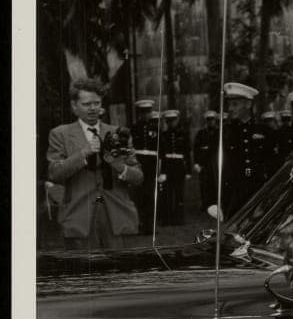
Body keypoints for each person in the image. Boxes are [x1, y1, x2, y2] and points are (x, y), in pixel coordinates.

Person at [46, 78, 144, 250]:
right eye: (86, 104)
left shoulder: (119, 133)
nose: (92, 108)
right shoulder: (60, 134)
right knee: (84, 267)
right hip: (79, 217)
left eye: (96, 103)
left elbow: (139, 178)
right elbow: (54, 173)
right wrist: (83, 153)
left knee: (120, 267)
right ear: (74, 106)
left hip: (117, 217)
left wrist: (119, 166)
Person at [220, 82, 276, 217]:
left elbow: (273, 164)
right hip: (233, 195)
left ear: (248, 104)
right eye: (229, 104)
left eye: (235, 104)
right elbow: (216, 167)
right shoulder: (225, 133)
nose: (230, 108)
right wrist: (214, 201)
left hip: (260, 192)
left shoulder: (265, 131)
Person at [129, 98, 159, 232]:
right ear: (139, 114)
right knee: (139, 195)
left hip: (151, 164)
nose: (146, 115)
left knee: (151, 195)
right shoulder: (134, 128)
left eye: (148, 112)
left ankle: (150, 225)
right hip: (139, 163)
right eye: (143, 112)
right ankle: (140, 223)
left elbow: (160, 149)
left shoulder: (155, 128)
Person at [159, 109, 190, 225]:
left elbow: (187, 153)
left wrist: (188, 171)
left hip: (179, 166)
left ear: (177, 120)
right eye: (169, 121)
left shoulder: (184, 134)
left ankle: (179, 218)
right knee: (167, 193)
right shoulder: (163, 135)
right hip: (167, 166)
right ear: (166, 122)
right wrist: (162, 171)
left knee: (179, 193)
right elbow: (161, 154)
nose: (171, 123)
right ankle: (167, 218)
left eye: (173, 120)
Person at [192, 110, 219, 214]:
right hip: (204, 163)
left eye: (212, 119)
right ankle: (205, 205)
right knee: (204, 185)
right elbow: (196, 148)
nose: (210, 122)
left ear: (215, 120)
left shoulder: (219, 132)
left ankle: (216, 205)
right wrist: (196, 162)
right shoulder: (201, 133)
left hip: (215, 163)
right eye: (208, 120)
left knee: (216, 184)